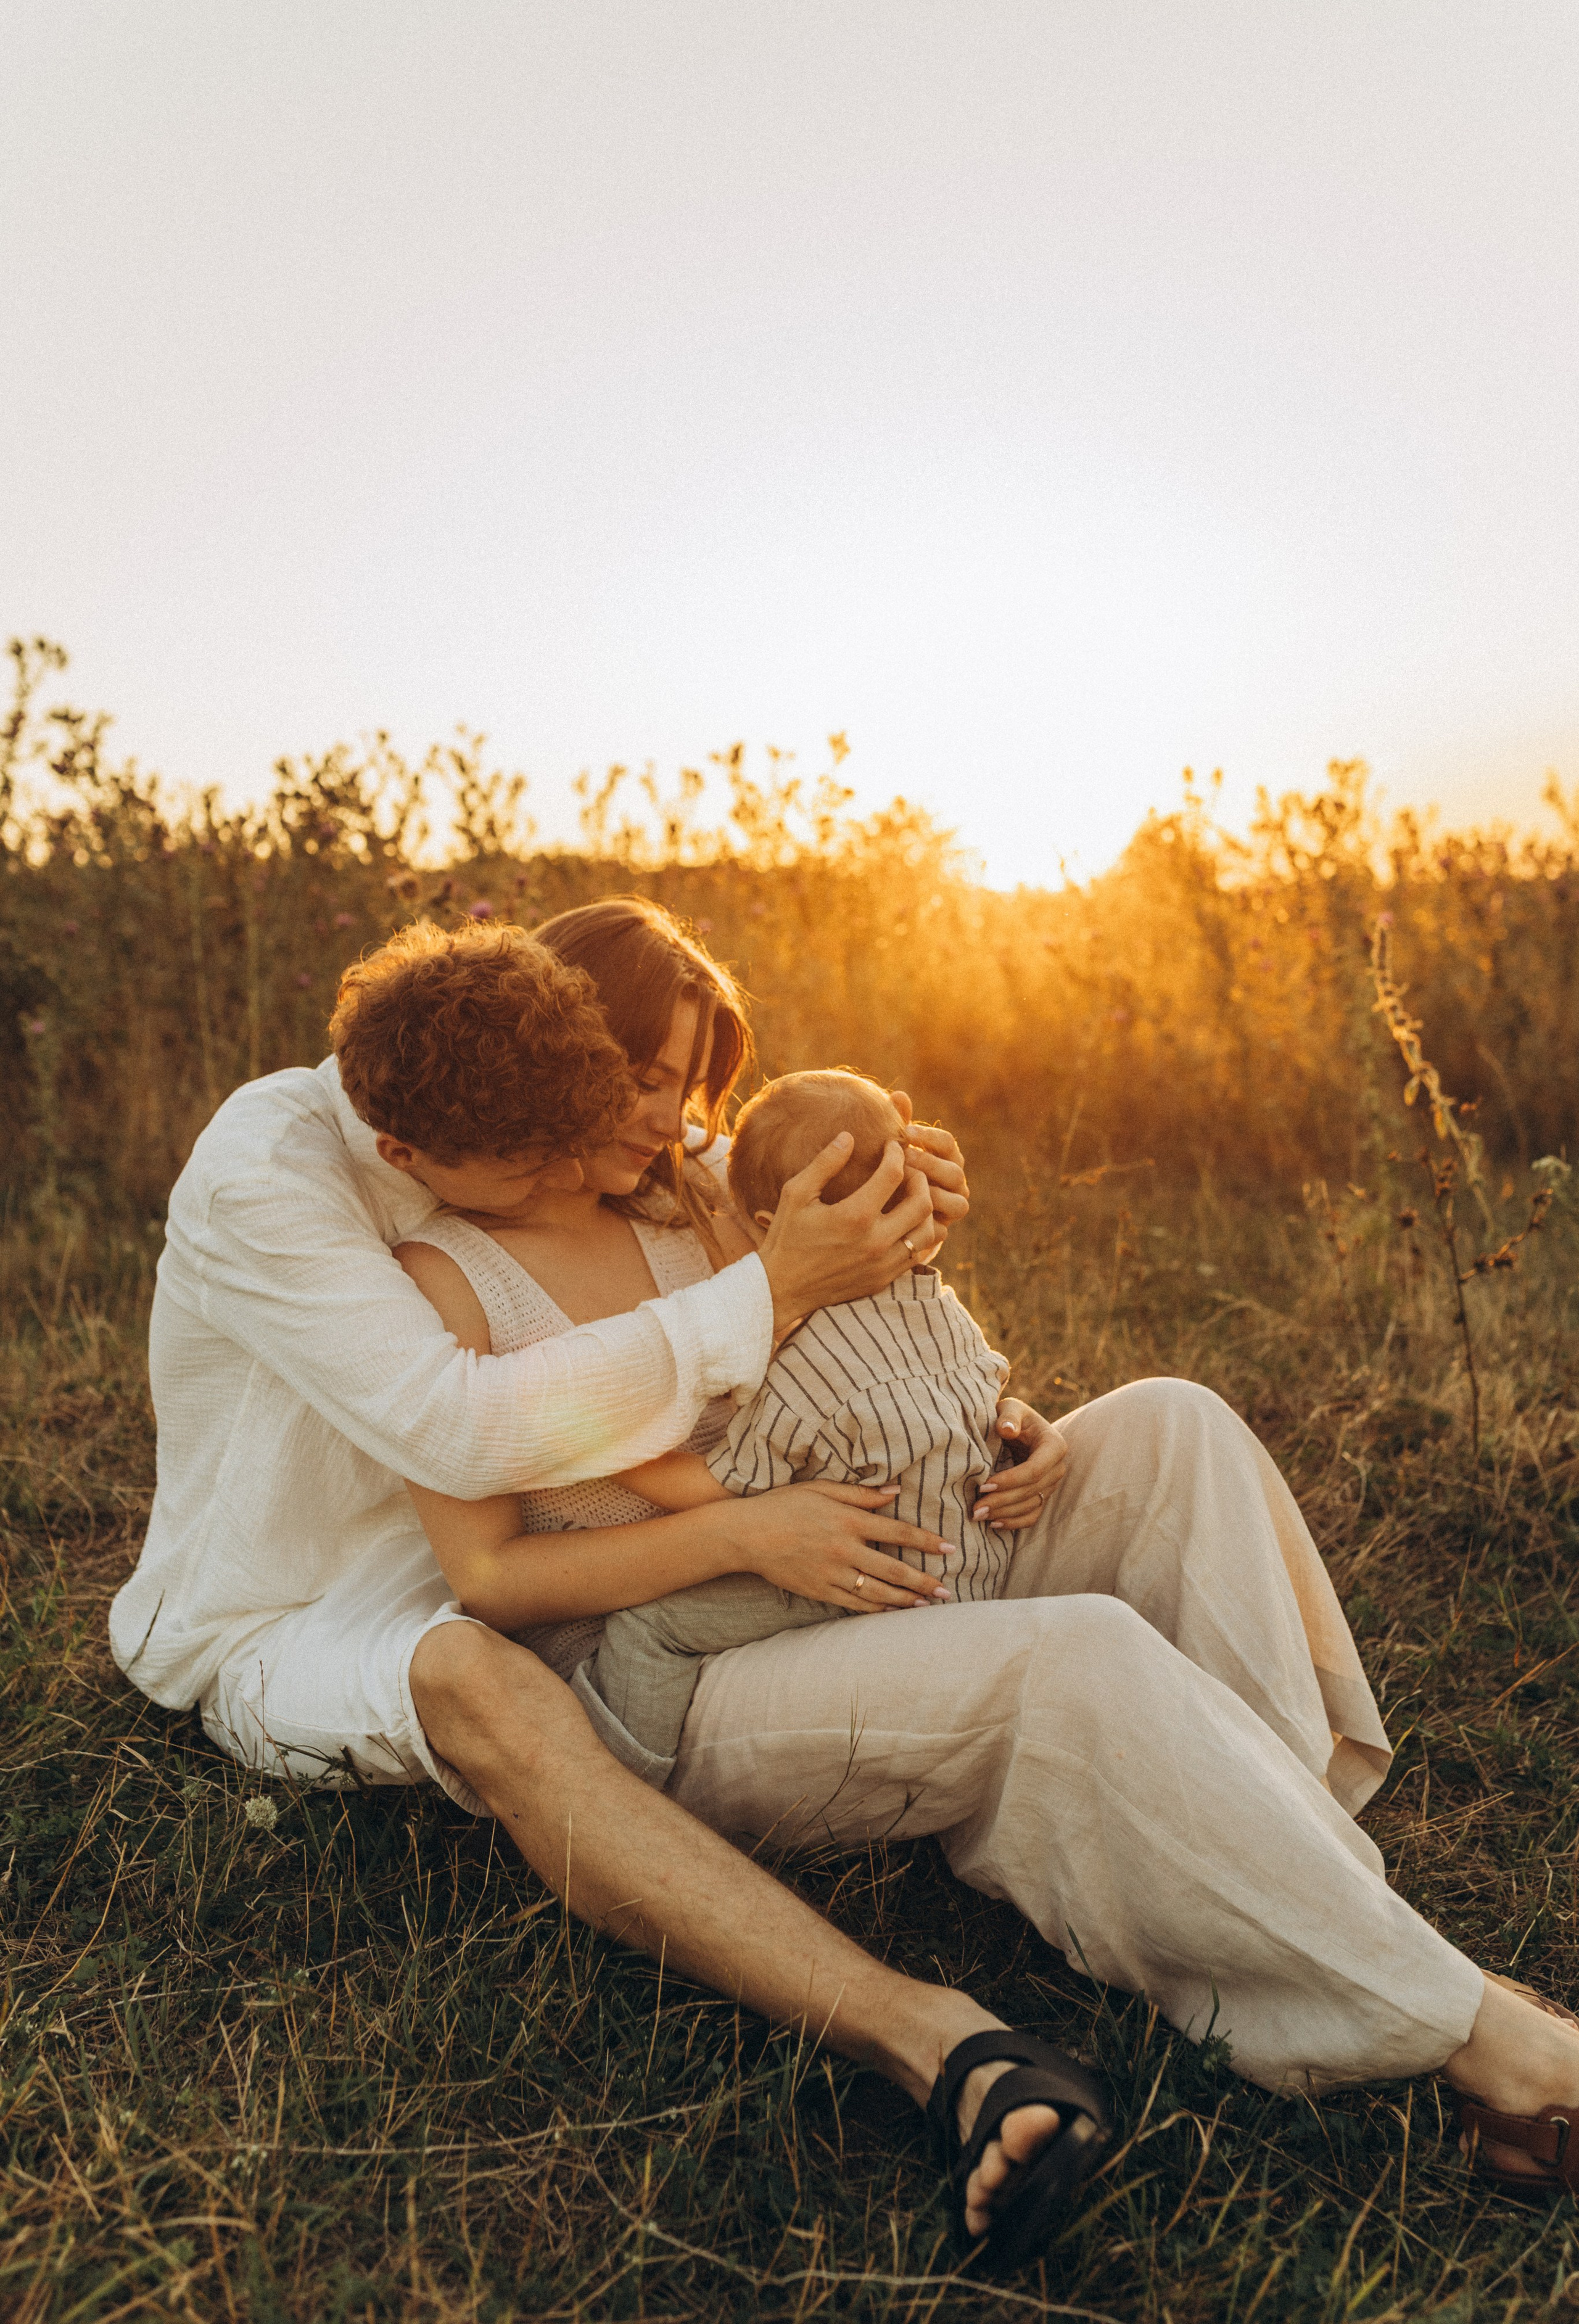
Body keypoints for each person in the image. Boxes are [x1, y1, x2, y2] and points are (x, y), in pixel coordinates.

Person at [394, 896, 1579, 2204]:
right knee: (1063, 1658)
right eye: (638, 1075)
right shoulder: (449, 1281)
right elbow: (489, 1579)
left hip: (876, 1555)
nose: (661, 1112)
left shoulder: (695, 1190)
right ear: (554, 1045)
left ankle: (1297, 1882)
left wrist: (1001, 1423)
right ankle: (1478, 2038)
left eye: (683, 1082)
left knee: (1172, 1427)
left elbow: (880, 1334)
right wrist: (740, 1532)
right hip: (691, 1670)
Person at [109, 915, 1111, 2273]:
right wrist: (754, 1425)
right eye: (535, 1166)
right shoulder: (267, 1178)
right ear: (408, 1160)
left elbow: (734, 1168)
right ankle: (929, 2041)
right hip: (303, 1608)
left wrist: (908, 1216)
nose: (580, 1173)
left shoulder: (544, 1101)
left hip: (549, 1567)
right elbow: (462, 1431)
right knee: (476, 1678)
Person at [577, 1068, 1018, 1783]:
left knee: (648, 1628)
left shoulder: (803, 1363)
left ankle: (627, 1788)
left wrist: (603, 1447)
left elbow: (718, 1488)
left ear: (765, 1229)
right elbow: (992, 1399)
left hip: (870, 1594)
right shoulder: (942, 1309)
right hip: (976, 1570)